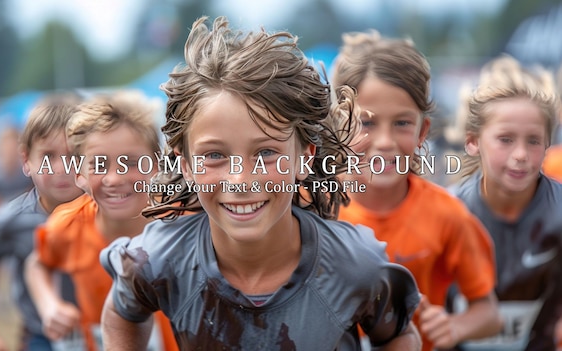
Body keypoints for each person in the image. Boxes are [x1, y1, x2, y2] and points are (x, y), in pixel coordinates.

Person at [99, 16, 422, 351]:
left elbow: (399, 335)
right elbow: (122, 311)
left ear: (303, 157)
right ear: (186, 164)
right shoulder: (159, 258)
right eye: (214, 155)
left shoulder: (355, 265)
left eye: (266, 152)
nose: (241, 180)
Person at [331, 31, 502, 351]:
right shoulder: (314, 206)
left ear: (423, 131)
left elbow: (489, 312)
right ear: (340, 125)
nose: (385, 142)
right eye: (366, 123)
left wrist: (454, 326)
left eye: (402, 123)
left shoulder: (446, 214)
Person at [25, 91, 178, 351]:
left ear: (158, 165)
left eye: (130, 162)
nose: (114, 178)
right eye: (99, 164)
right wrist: (49, 305)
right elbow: (37, 264)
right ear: (80, 174)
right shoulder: (69, 225)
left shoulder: (183, 219)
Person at [452, 55, 562, 350]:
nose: (521, 154)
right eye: (506, 139)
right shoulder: (448, 213)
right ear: (473, 141)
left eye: (533, 140)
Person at [0, 94, 84, 351]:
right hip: (40, 337)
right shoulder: (13, 218)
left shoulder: (105, 209)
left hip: (101, 331)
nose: (61, 168)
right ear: (26, 160)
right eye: (48, 156)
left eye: (73, 156)